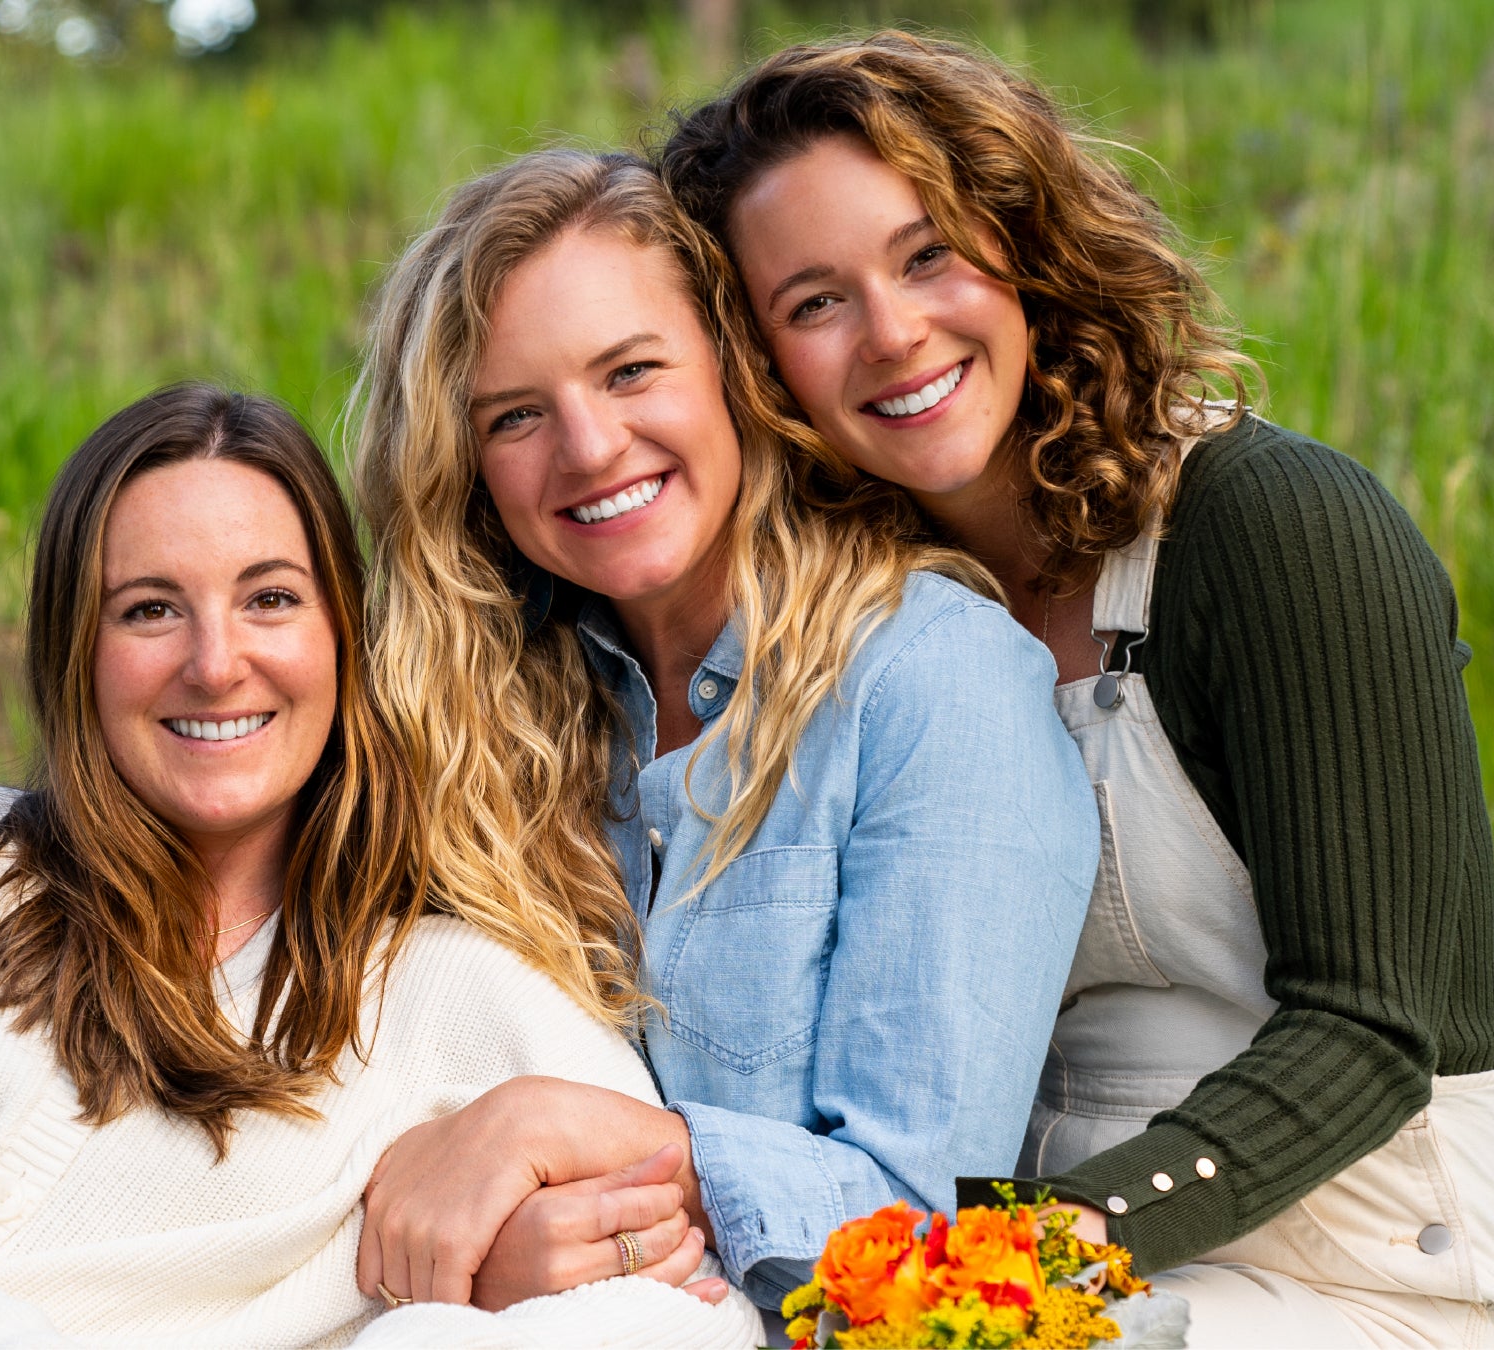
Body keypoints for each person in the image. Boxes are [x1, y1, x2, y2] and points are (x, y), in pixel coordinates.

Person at [0, 382, 759, 1348]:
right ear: (75, 651)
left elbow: (692, 1317)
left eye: (270, 599)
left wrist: (452, 1309)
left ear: (342, 641)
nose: (215, 662)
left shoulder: (448, 987)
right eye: (149, 609)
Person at [657, 29, 1494, 1346]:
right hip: (1022, 1255)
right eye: (814, 302)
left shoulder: (1269, 528)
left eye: (928, 254)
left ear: (1027, 247)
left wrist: (1010, 1273)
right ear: (756, 361)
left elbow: (1375, 1026)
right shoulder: (868, 616)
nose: (894, 334)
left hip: (1365, 1270)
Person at [347, 148, 1099, 1323]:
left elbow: (932, 1218)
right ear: (468, 466)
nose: (589, 449)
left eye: (631, 371)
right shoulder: (474, 718)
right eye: (517, 417)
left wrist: (569, 1139)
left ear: (732, 371)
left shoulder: (928, 679)